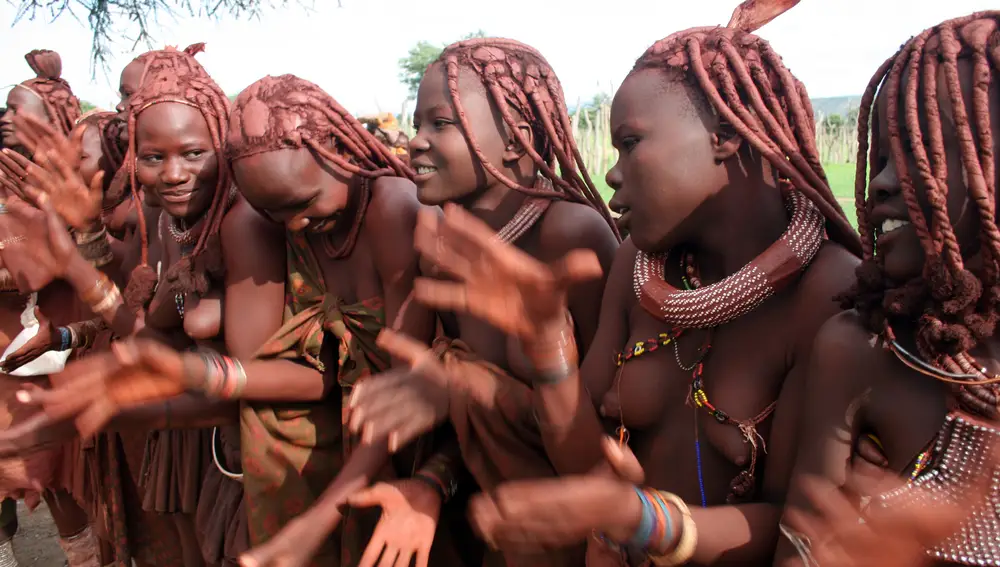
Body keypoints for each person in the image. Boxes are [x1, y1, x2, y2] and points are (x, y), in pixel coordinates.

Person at [348, 0, 863, 564]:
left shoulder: (827, 291)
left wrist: (639, 518)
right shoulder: (640, 268)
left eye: (631, 143)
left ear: (723, 134)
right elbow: (580, 467)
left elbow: (800, 531)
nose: (612, 172)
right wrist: (550, 350)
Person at [255, 36, 621, 567]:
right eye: (417, 124)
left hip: (569, 532)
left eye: (440, 124)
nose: (415, 143)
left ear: (516, 139)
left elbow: (604, 433)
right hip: (477, 517)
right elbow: (434, 403)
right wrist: (426, 483)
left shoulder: (570, 236)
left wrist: (459, 387)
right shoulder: (441, 237)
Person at [774, 10, 1000, 567]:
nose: (881, 183)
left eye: (924, 154)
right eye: (879, 157)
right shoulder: (862, 350)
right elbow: (802, 550)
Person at [0, 48, 101, 567]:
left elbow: (46, 270)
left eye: (20, 113)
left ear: (55, 124)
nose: (6, 120)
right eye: (5, 109)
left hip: (63, 347)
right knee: (21, 472)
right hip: (9, 355)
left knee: (71, 478)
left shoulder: (78, 187)